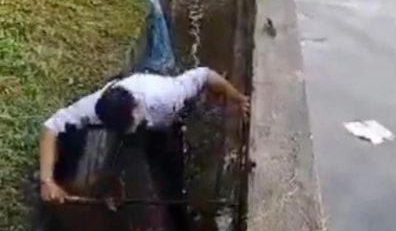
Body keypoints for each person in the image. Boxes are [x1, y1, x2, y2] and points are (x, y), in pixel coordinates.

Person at [40, 67, 249, 203]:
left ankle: (176, 208)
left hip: (164, 121)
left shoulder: (168, 95)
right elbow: (51, 126)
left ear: (136, 108)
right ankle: (110, 184)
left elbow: (205, 74)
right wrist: (47, 181)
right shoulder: (95, 108)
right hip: (136, 119)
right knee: (74, 138)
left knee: (170, 173)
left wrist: (238, 98)